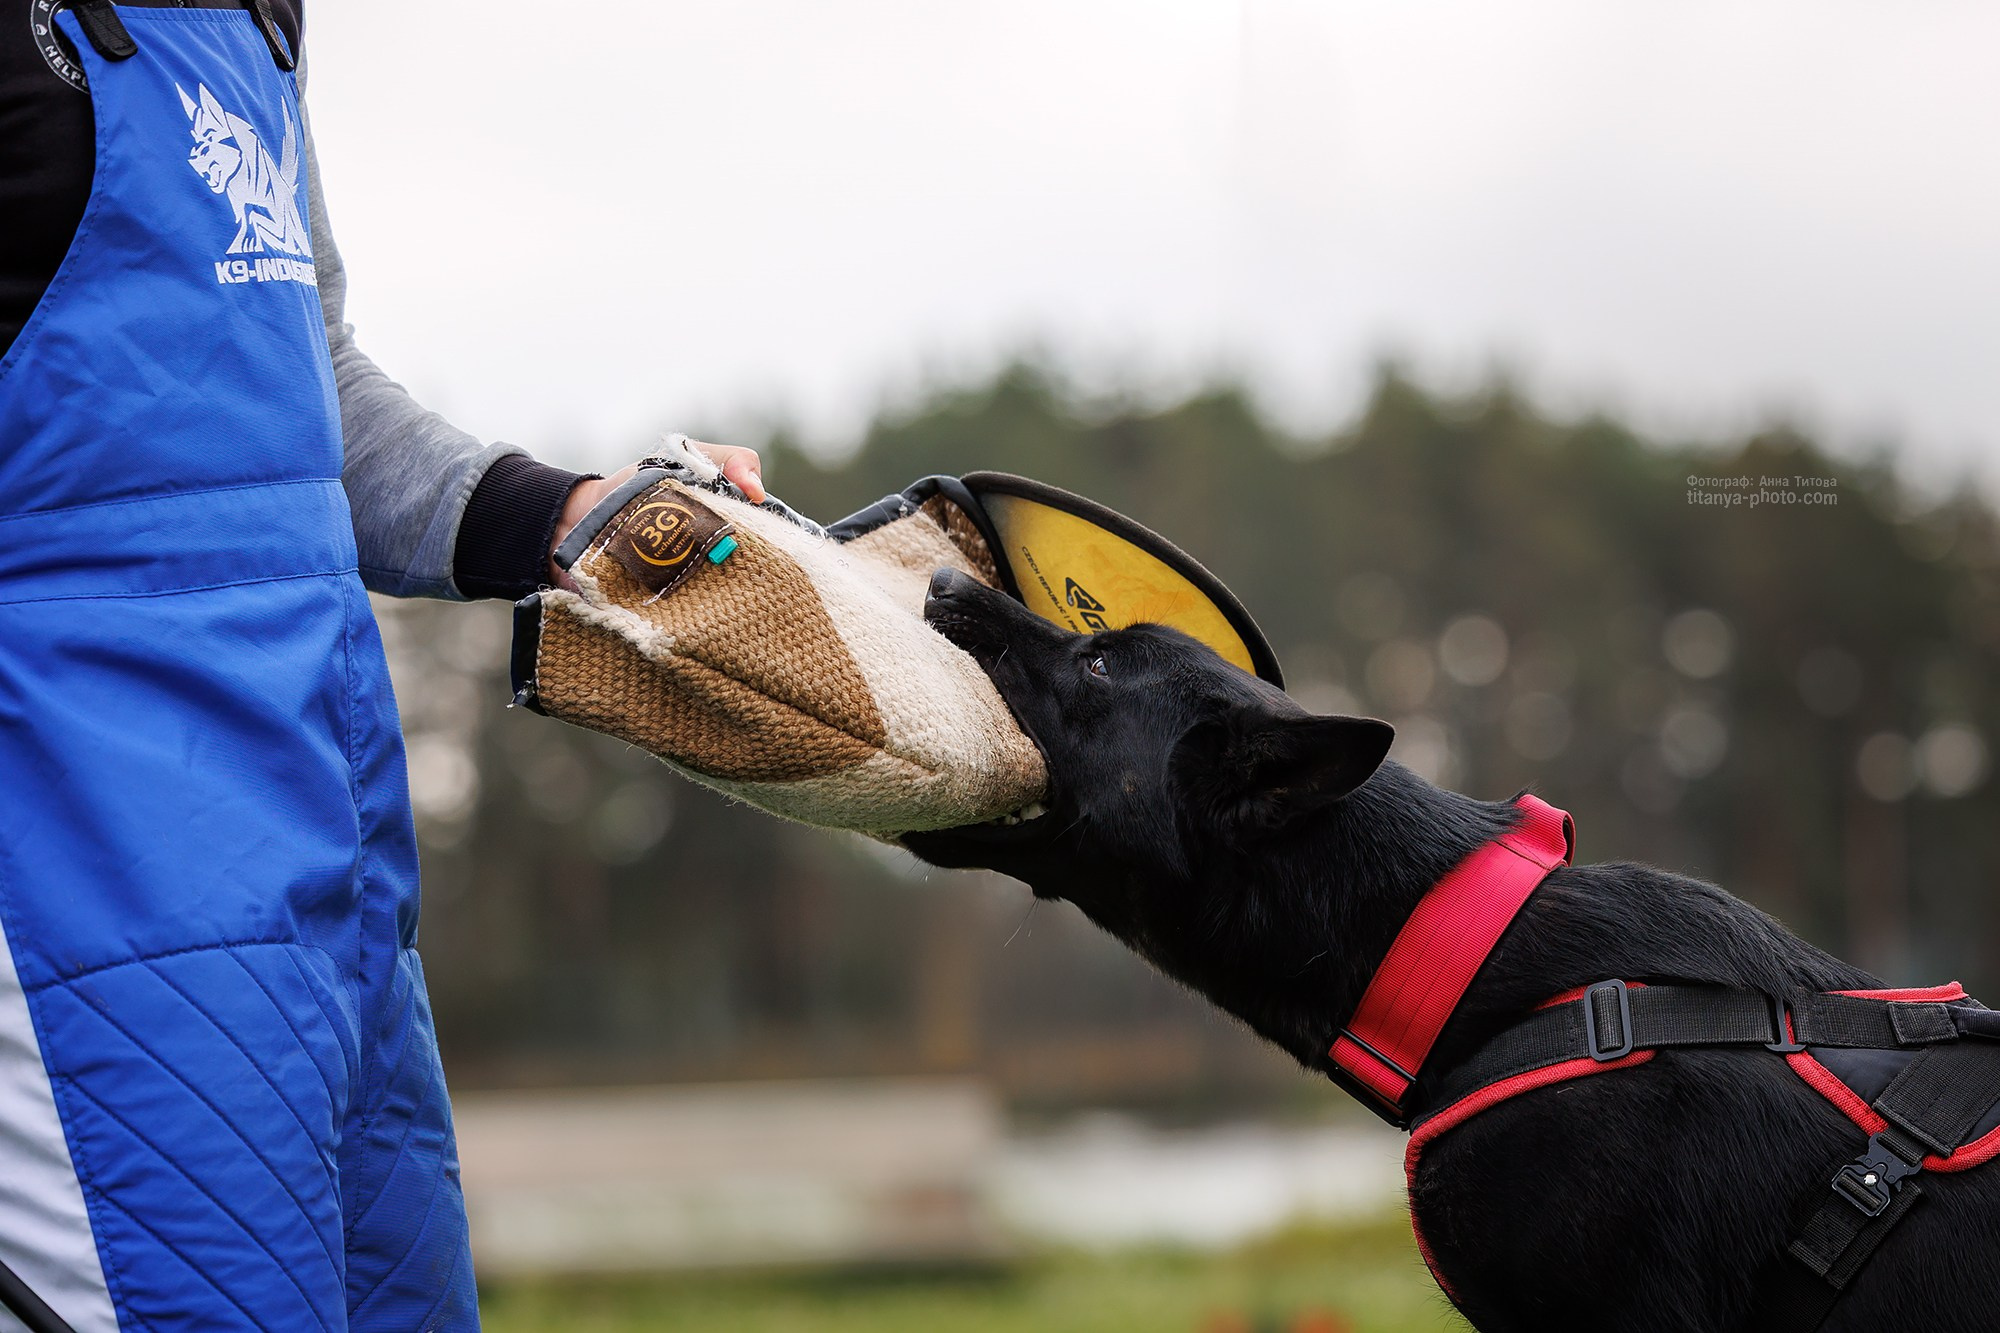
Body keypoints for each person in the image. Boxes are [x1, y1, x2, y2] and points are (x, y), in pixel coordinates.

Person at [0, 3, 760, 1328]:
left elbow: (314, 397)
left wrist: (568, 519)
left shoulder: (255, 22)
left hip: (333, 859)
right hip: (76, 887)